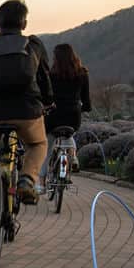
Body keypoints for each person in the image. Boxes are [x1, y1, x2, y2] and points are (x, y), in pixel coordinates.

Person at [0, 0, 52, 226]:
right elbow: (45, 78)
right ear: (24, 24)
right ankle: (27, 179)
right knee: (38, 145)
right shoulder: (34, 45)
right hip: (26, 110)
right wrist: (47, 101)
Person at [40, 44, 92, 183]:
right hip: (73, 117)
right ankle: (73, 157)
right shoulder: (82, 74)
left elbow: (46, 97)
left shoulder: (51, 75)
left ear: (56, 58)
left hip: (54, 116)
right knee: (69, 133)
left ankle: (41, 183)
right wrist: (84, 108)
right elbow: (86, 100)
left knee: (47, 147)